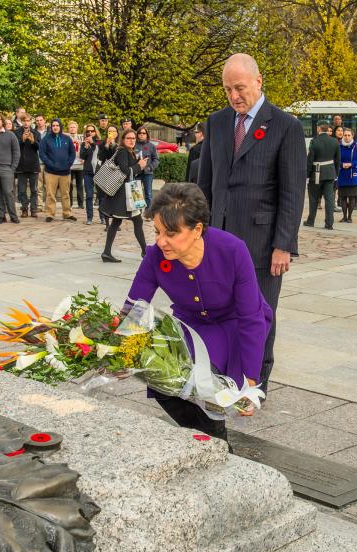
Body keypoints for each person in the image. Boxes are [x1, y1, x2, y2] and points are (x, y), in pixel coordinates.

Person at [125, 183, 273, 443]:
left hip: (233, 325)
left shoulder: (232, 250)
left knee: (206, 383)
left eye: (170, 233)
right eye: (157, 231)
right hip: (190, 323)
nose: (161, 241)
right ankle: (206, 436)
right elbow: (135, 306)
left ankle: (215, 440)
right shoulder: (155, 256)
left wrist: (251, 381)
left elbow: (251, 317)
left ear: (197, 230)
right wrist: (119, 349)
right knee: (161, 376)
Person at [197, 53, 306, 394]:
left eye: (240, 88)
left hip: (261, 244)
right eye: (228, 89)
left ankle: (255, 383)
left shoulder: (286, 126)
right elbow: (206, 184)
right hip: (218, 239)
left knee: (258, 315)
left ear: (259, 82)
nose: (234, 96)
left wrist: (283, 245)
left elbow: (292, 191)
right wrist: (197, 233)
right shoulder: (216, 123)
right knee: (218, 311)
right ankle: (223, 375)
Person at [99, 129, 147, 262]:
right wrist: (139, 165)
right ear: (123, 140)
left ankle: (106, 252)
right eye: (128, 138)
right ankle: (145, 251)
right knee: (136, 220)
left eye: (133, 138)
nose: (132, 140)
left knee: (117, 222)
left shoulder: (129, 152)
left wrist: (138, 164)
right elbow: (125, 171)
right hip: (123, 193)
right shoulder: (122, 152)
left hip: (124, 192)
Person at [303, 121, 340, 230]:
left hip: (316, 173)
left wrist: (307, 174)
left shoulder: (315, 141)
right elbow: (338, 160)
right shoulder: (334, 141)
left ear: (319, 129)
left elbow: (310, 160)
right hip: (329, 173)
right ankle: (329, 223)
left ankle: (311, 220)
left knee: (313, 198)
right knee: (329, 199)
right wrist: (336, 173)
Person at [39, 118, 76, 222]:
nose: (55, 127)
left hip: (65, 172)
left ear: (60, 127)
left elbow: (72, 153)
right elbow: (42, 154)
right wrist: (50, 164)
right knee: (50, 194)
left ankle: (67, 213)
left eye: (57, 125)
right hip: (51, 172)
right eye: (53, 125)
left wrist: (68, 164)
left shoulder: (67, 139)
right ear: (51, 127)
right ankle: (50, 214)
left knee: (66, 194)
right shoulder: (45, 139)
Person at [15, 115, 41, 218]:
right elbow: (15, 147)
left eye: (28, 121)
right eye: (24, 121)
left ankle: (33, 209)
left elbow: (39, 148)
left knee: (34, 190)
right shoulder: (16, 132)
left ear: (31, 122)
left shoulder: (36, 133)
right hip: (21, 165)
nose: (26, 123)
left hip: (33, 165)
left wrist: (33, 141)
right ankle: (24, 209)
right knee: (21, 190)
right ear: (21, 122)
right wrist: (22, 139)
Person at [337, 128, 357, 224]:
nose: (347, 137)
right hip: (342, 173)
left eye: (349, 135)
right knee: (343, 197)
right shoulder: (339, 146)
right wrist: (341, 164)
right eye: (345, 135)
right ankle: (344, 216)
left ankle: (350, 217)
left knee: (352, 197)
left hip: (353, 174)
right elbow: (335, 159)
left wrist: (351, 164)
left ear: (352, 136)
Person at [79, 124, 100, 225]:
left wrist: (93, 144)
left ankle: (103, 217)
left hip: (99, 171)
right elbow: (82, 157)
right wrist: (87, 147)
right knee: (89, 195)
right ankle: (89, 217)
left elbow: (100, 154)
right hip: (87, 171)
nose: (90, 133)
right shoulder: (84, 144)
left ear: (95, 132)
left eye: (92, 131)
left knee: (101, 196)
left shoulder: (99, 143)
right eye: (88, 131)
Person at [135, 127, 159, 209]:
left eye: (143, 133)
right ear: (137, 134)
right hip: (136, 173)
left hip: (147, 173)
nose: (141, 135)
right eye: (140, 133)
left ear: (147, 134)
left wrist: (150, 167)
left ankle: (149, 213)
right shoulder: (133, 145)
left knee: (148, 194)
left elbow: (156, 159)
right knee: (136, 194)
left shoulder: (151, 146)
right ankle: (136, 213)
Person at [67, 121, 84, 210]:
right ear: (68, 129)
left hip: (79, 164)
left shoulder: (81, 138)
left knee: (79, 185)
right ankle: (69, 204)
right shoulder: (66, 138)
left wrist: (84, 158)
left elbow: (85, 149)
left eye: (74, 127)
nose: (72, 129)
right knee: (69, 185)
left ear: (77, 128)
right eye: (71, 127)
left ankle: (80, 204)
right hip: (69, 164)